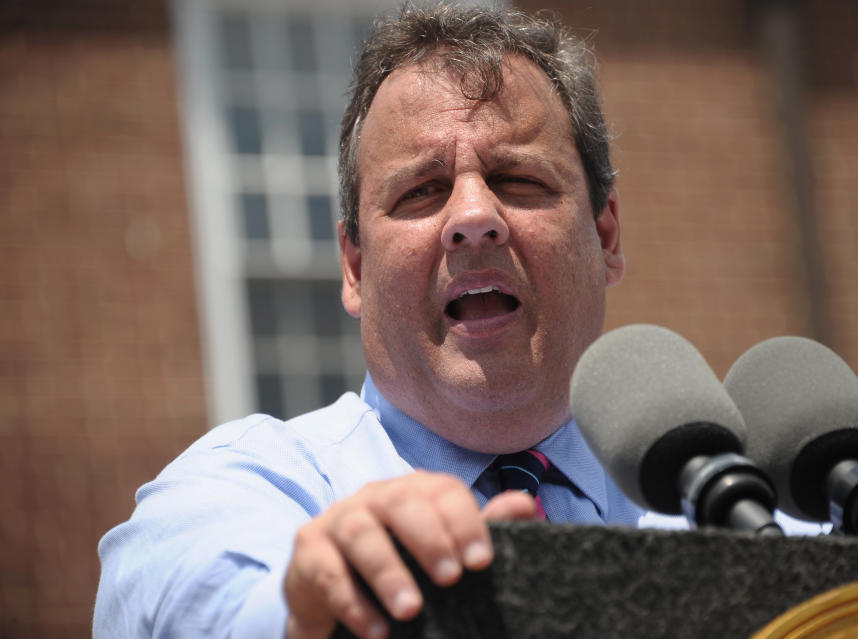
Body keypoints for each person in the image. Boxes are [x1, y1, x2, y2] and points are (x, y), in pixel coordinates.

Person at [94, 5, 640, 638]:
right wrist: (311, 617)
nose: (472, 216)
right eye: (421, 191)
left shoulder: (738, 514)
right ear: (354, 267)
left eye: (517, 178)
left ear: (605, 236)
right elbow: (198, 599)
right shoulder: (251, 488)